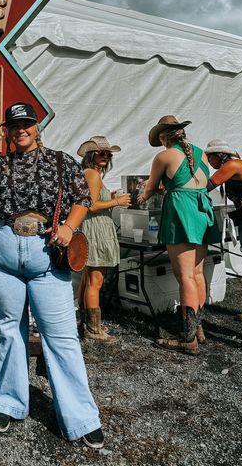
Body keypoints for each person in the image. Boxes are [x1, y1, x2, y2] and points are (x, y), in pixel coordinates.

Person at [0, 102, 104, 448]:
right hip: (3, 250)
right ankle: (8, 402)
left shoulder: (60, 161)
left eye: (26, 124)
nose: (20, 129)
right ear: (7, 131)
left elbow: (82, 197)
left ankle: (81, 417)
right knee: (10, 329)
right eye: (14, 126)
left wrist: (70, 227)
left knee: (61, 336)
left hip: (47, 253)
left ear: (37, 127)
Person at [137, 116, 220, 355]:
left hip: (181, 211)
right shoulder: (201, 153)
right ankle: (197, 327)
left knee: (184, 276)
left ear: (164, 137)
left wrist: (141, 196)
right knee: (196, 273)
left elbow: (151, 187)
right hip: (202, 210)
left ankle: (187, 338)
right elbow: (196, 182)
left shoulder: (164, 156)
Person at [76, 136, 130, 342]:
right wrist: (117, 200)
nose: (106, 157)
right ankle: (93, 329)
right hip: (96, 230)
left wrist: (110, 196)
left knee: (88, 278)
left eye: (108, 154)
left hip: (95, 229)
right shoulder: (92, 174)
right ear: (91, 155)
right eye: (101, 153)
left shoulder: (92, 174)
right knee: (95, 281)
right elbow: (90, 205)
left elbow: (95, 200)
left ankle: (85, 324)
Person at [205, 139, 242, 323]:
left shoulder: (233, 164)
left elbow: (207, 185)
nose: (208, 161)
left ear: (218, 155)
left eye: (208, 157)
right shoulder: (231, 166)